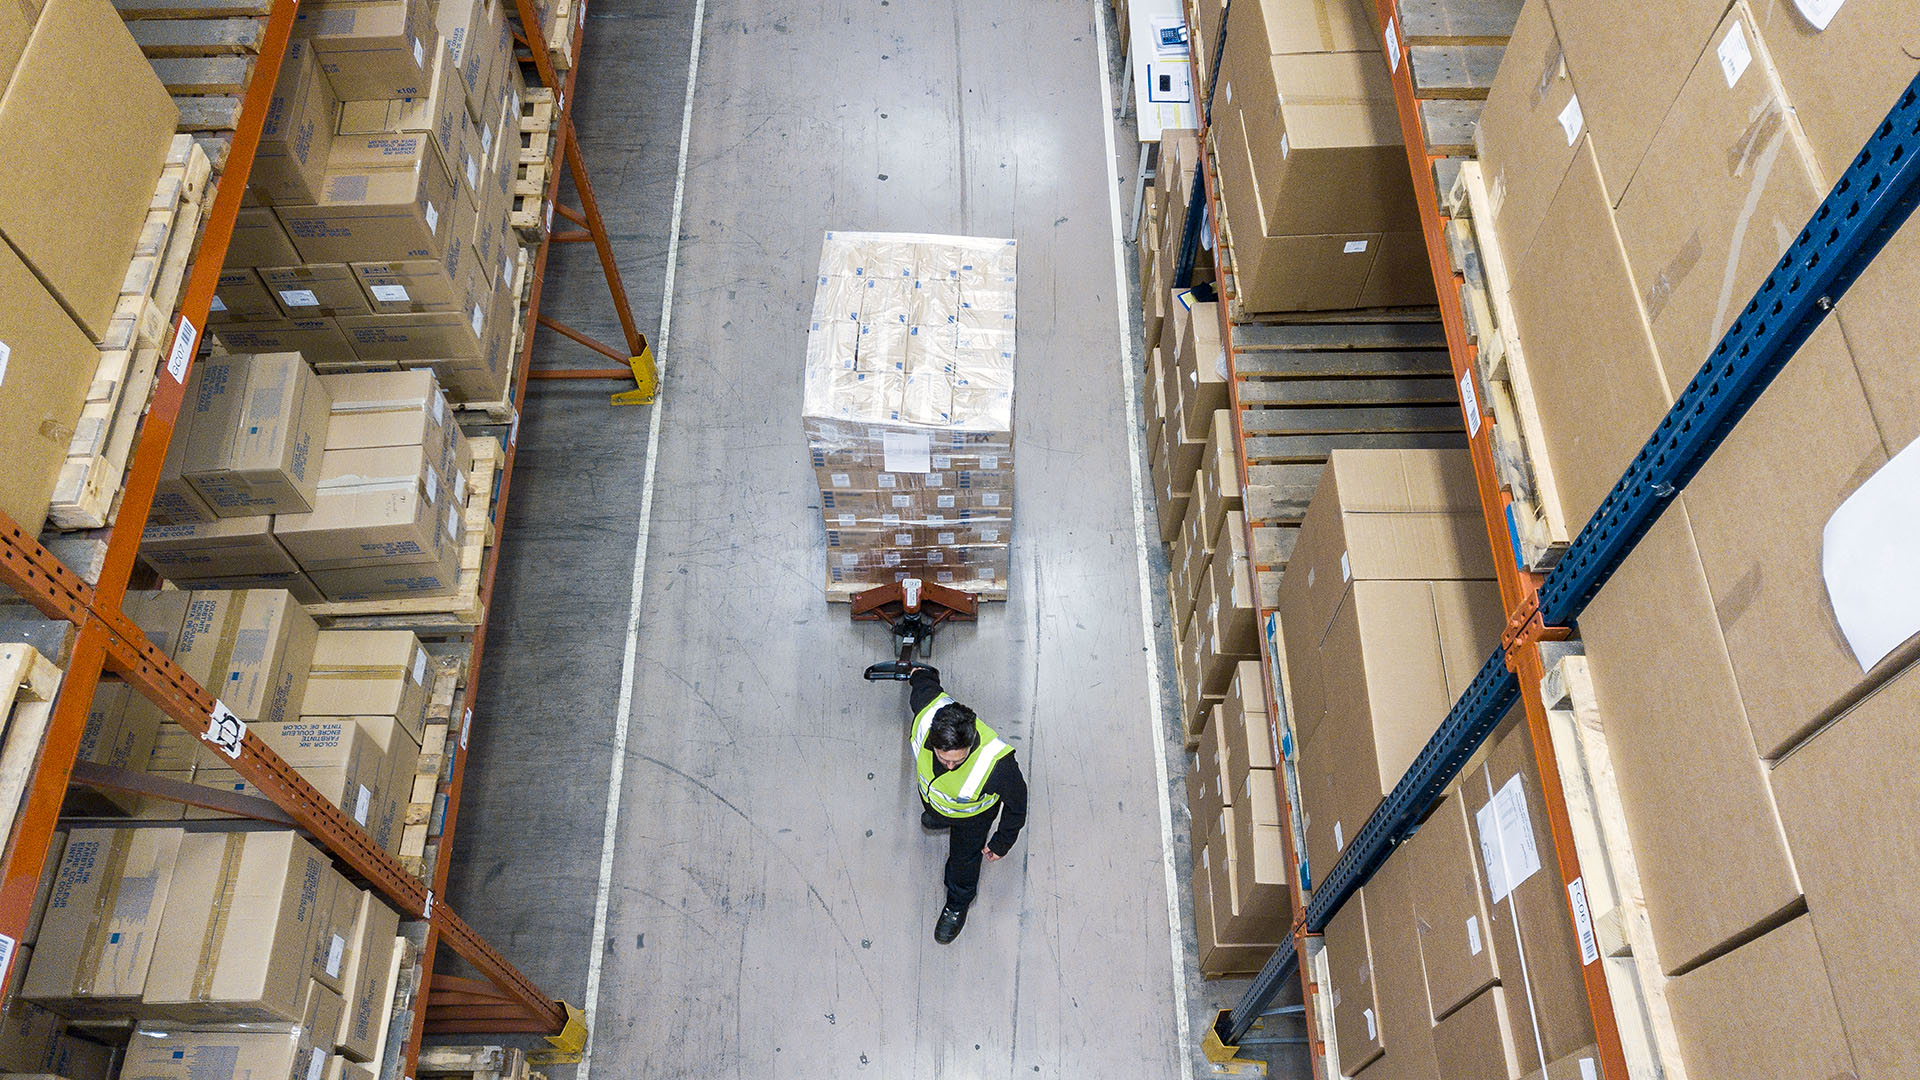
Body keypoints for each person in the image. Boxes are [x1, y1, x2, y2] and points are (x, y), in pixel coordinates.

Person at [905, 663, 1027, 943]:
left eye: (957, 761)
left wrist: (1001, 842)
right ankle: (939, 815)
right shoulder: (927, 714)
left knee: (963, 861)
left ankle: (958, 903)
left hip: (973, 818)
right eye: (943, 757)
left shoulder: (998, 766)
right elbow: (924, 682)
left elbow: (1017, 805)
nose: (949, 766)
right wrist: (918, 673)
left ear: (971, 743)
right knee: (936, 808)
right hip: (938, 802)